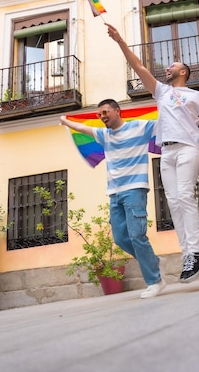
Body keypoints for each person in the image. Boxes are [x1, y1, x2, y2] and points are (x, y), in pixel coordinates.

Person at [105, 23, 199, 283]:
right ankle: (187, 254)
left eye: (172, 66)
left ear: (183, 71)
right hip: (166, 153)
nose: (167, 68)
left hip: (189, 148)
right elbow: (139, 67)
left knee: (187, 197)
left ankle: (196, 252)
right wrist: (120, 40)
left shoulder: (195, 95)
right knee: (174, 202)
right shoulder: (161, 91)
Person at [60, 99, 166, 299]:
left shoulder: (139, 127)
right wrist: (66, 122)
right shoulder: (104, 135)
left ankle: (155, 281)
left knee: (137, 236)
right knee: (120, 238)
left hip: (135, 189)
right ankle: (153, 260)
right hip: (114, 193)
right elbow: (82, 128)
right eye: (99, 114)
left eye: (105, 112)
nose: (102, 117)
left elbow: (165, 119)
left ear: (117, 111)